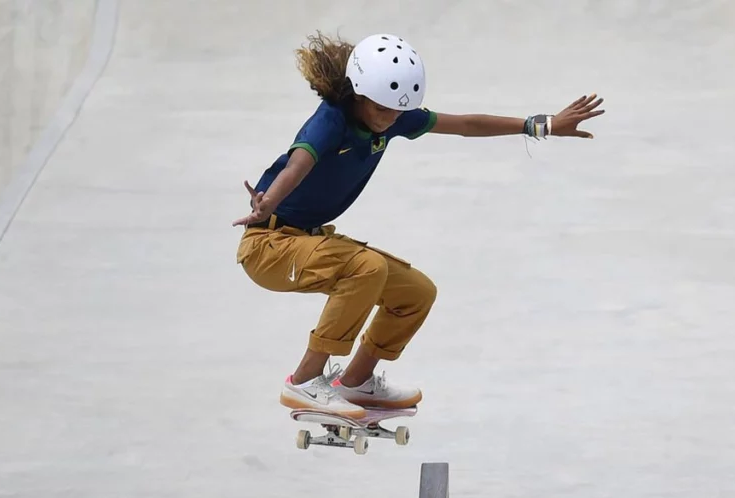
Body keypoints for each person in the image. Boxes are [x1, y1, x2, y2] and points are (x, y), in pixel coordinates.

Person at [233, 31, 605, 419]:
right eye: (382, 110)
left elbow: (465, 124)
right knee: (366, 268)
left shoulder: (390, 117)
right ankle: (305, 383)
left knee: (415, 292)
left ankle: (357, 383)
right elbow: (300, 162)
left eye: (397, 111)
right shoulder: (330, 121)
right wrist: (268, 202)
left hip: (308, 242)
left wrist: (538, 125)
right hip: (269, 245)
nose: (389, 119)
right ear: (359, 94)